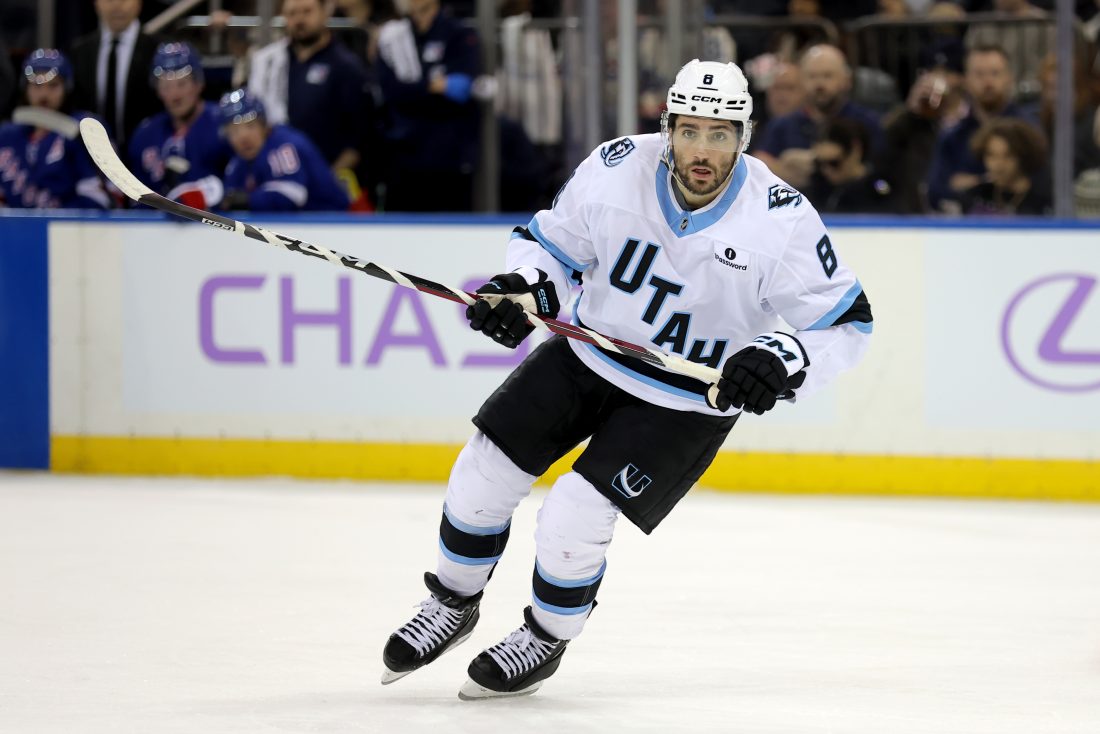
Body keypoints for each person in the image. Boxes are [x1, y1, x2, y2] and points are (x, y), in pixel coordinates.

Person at [380, 59, 874, 699]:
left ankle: (545, 636)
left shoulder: (781, 218)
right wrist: (525, 291)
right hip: (589, 352)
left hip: (687, 397)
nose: (703, 150)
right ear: (667, 127)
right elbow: (553, 249)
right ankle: (452, 602)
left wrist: (780, 357)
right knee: (483, 470)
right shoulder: (616, 168)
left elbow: (847, 324)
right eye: (690, 131)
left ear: (743, 137)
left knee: (573, 516)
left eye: (720, 134)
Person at [375, 0, 481, 211]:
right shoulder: (392, 37)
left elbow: (460, 89)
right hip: (402, 156)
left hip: (448, 160)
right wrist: (433, 85)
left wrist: (413, 88)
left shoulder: (458, 33)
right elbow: (391, 91)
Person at [247, 0, 369, 177]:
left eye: (307, 11)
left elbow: (361, 139)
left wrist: (327, 180)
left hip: (325, 179)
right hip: (278, 175)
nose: (299, 20)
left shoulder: (345, 66)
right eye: (292, 14)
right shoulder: (272, 63)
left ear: (325, 12)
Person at [925, 43, 1038, 211]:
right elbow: (936, 190)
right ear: (966, 79)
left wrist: (975, 184)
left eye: (995, 73)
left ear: (1009, 78)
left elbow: (1039, 184)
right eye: (979, 74)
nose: (988, 81)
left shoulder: (1028, 130)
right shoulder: (954, 135)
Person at [755, 44, 883, 190]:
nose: (819, 84)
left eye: (827, 76)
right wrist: (785, 167)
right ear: (802, 81)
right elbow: (759, 164)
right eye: (812, 76)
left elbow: (879, 168)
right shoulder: (783, 124)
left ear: (847, 81)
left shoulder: (865, 122)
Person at [128, 43, 234, 210]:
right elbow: (138, 201)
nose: (175, 95)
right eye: (166, 86)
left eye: (182, 84)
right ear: (157, 91)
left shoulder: (224, 125)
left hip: (216, 228)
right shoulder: (145, 135)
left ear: (198, 84)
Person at [0, 49, 110, 209]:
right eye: (36, 85)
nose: (44, 94)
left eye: (53, 85)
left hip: (70, 231)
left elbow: (99, 199)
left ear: (67, 87)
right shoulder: (7, 135)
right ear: (25, 88)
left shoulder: (84, 129)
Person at [218, 89, 349, 212]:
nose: (243, 138)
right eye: (234, 131)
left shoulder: (285, 145)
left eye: (250, 126)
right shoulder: (240, 160)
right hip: (300, 228)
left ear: (264, 126)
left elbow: (293, 194)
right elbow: (229, 196)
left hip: (334, 224)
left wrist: (246, 200)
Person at [70, 0, 164, 148]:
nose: (116, 5)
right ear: (96, 4)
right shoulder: (78, 53)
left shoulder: (158, 51)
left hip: (146, 155)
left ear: (139, 3)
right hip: (92, 156)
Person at [960, 118, 1052, 215]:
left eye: (1008, 155)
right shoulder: (975, 196)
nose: (998, 164)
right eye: (991, 155)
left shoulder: (1044, 200)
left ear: (1023, 156)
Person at [808, 118, 893, 213]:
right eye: (819, 163)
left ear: (855, 150)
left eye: (834, 163)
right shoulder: (818, 185)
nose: (826, 170)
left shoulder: (876, 190)